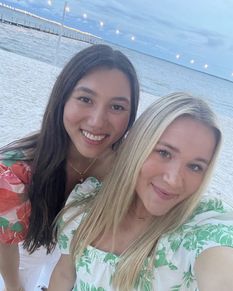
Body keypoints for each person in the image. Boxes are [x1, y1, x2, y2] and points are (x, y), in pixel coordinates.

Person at [48, 92, 233, 291]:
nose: (173, 180)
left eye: (195, 167)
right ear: (138, 145)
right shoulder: (86, 205)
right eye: (164, 153)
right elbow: (65, 273)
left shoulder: (201, 227)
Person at [0, 44, 140, 291]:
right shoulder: (15, 171)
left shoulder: (128, 171)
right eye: (86, 99)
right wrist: (15, 287)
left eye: (117, 107)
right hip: (22, 253)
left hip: (71, 255)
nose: (97, 121)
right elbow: (5, 243)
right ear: (62, 99)